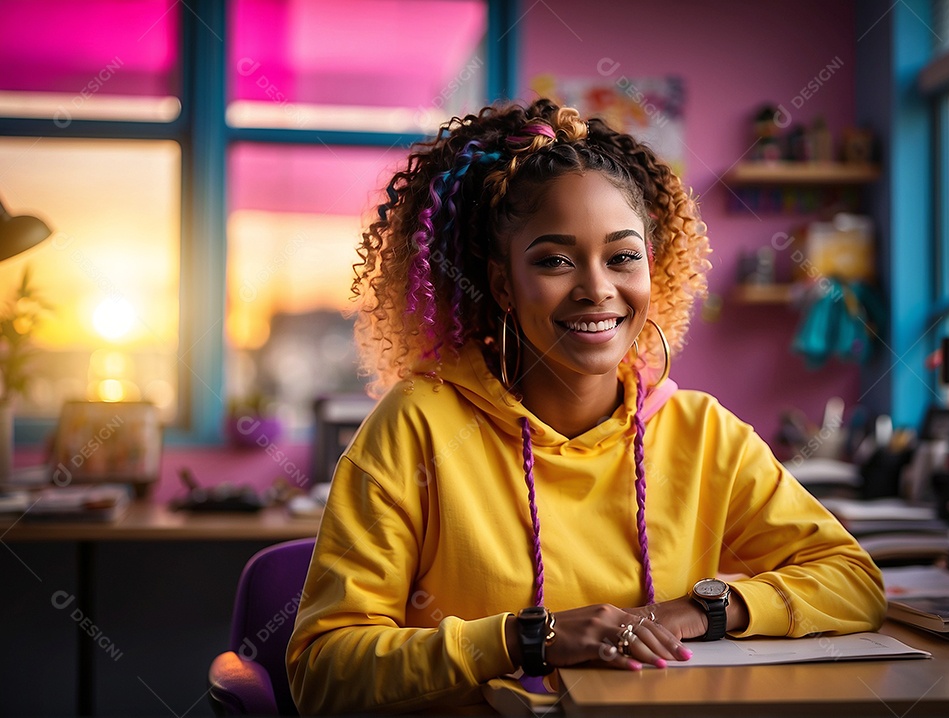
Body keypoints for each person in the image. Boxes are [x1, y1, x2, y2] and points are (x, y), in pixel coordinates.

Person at [286, 99, 886, 714]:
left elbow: (854, 583)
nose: (597, 288)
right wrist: (526, 639)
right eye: (554, 261)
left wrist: (703, 610)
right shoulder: (418, 424)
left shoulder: (702, 433)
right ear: (501, 285)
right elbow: (324, 672)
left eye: (623, 256)